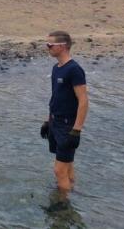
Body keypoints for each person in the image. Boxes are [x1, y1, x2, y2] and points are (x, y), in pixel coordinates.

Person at [40, 31, 89, 195]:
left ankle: (63, 206)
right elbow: (56, 97)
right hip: (55, 122)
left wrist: (76, 130)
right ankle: (71, 189)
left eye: (50, 45)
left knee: (59, 171)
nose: (47, 48)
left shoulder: (74, 70)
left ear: (62, 46)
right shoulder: (56, 68)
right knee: (67, 164)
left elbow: (83, 101)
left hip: (68, 126)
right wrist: (48, 121)